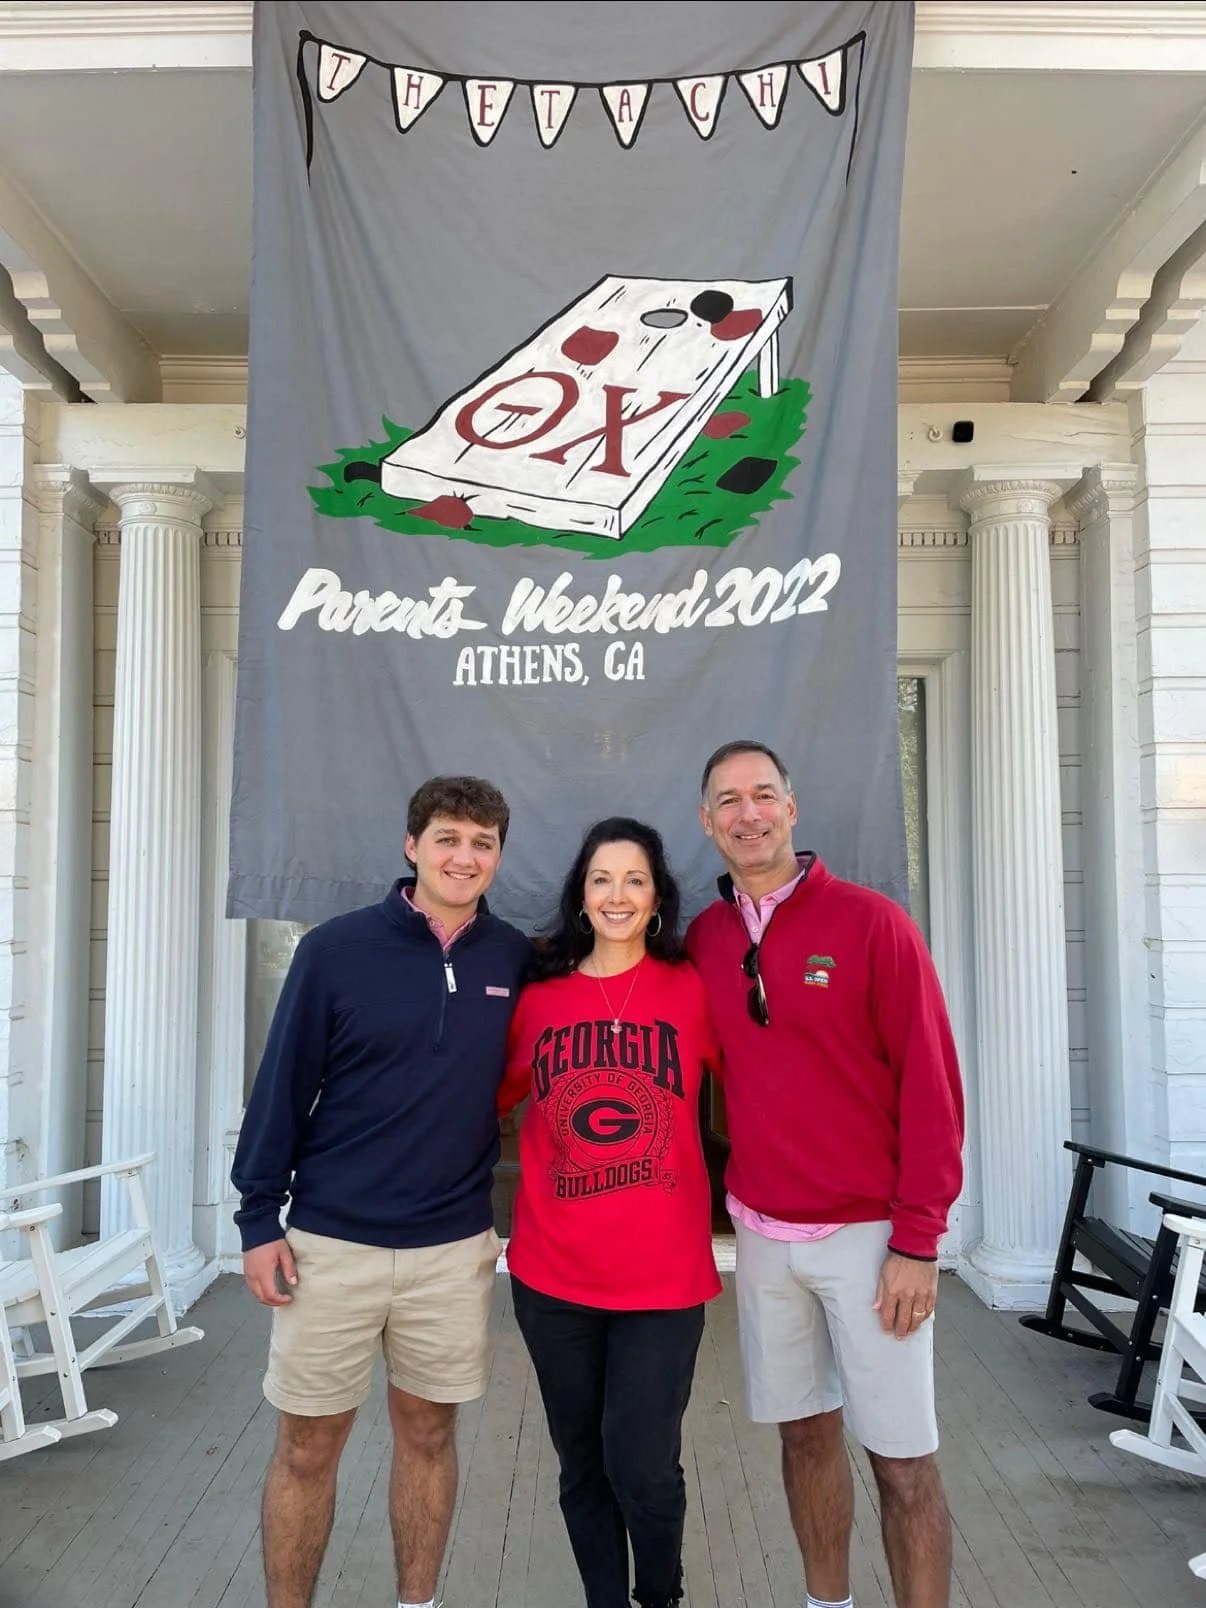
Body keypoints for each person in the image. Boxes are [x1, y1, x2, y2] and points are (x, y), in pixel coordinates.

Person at [231, 775, 530, 1608]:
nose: (464, 856)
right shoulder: (336, 950)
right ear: (412, 846)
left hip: (451, 1249)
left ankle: (417, 1603)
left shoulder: (514, 959)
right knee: (305, 1448)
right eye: (448, 838)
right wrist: (259, 1218)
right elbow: (281, 1088)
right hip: (330, 1245)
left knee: (430, 1436)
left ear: (498, 855)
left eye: (482, 843)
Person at [686, 740, 964, 1608]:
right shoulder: (708, 935)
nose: (747, 813)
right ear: (707, 822)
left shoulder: (873, 923)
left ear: (792, 809)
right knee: (804, 1438)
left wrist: (918, 1242)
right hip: (764, 1237)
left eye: (763, 794)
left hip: (871, 1239)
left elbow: (932, 1087)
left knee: (903, 1458)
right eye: (728, 800)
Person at [498, 817, 721, 1608]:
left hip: (663, 1281)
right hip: (553, 1278)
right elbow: (477, 1101)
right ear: (581, 896)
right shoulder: (539, 998)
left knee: (643, 1463)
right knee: (582, 1462)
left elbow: (772, 1081)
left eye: (634, 879)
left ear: (657, 896)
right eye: (602, 879)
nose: (618, 895)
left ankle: (659, 1595)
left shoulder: (694, 990)